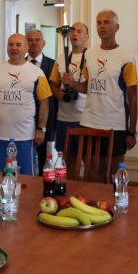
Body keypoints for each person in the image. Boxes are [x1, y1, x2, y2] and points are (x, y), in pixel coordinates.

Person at [69, 9, 138, 176]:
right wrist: (73, 84)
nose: (102, 26)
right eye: (99, 23)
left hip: (115, 124)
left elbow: (133, 97)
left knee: (115, 176)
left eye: (106, 22)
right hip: (90, 122)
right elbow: (88, 86)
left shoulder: (126, 58)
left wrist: (132, 131)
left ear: (116, 27)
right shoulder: (89, 53)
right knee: (94, 174)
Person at [0, 34, 52, 175]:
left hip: (26, 136)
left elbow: (44, 102)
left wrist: (41, 128)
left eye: (18, 45)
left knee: (26, 177)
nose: (14, 48)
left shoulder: (37, 72)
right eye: (11, 44)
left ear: (26, 47)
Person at [49, 22, 89, 168]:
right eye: (72, 31)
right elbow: (53, 84)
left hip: (85, 119)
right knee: (68, 162)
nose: (75, 34)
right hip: (64, 118)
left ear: (87, 37)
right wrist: (58, 94)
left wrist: (74, 84)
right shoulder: (60, 59)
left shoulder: (91, 58)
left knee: (89, 161)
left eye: (79, 31)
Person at [26, 28, 57, 176]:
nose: (34, 43)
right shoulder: (18, 65)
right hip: (23, 121)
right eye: (30, 40)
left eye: (37, 40)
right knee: (25, 161)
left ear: (44, 43)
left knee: (45, 162)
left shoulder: (54, 65)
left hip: (47, 122)